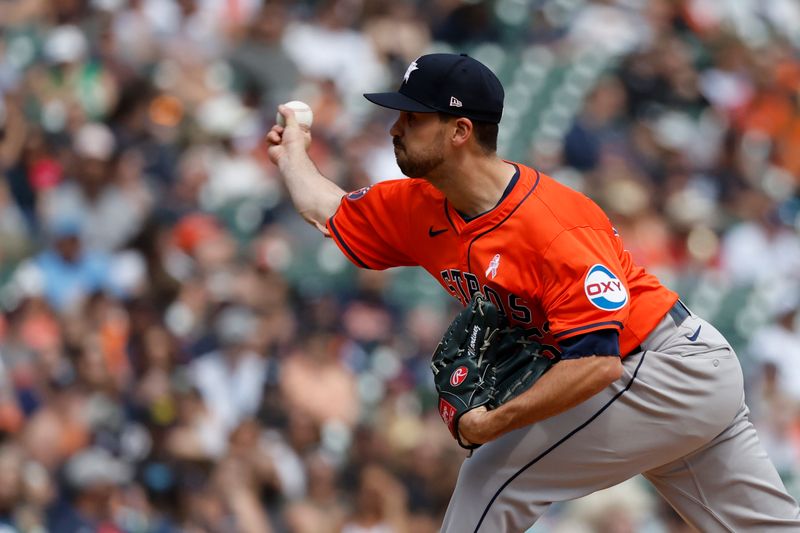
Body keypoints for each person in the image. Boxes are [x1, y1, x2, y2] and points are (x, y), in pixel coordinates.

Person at [266, 53, 800, 532]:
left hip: (660, 367)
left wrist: (495, 421)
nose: (395, 129)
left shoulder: (553, 227)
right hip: (667, 380)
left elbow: (597, 364)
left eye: (413, 117)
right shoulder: (420, 205)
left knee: (492, 480)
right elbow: (328, 208)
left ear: (459, 132)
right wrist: (294, 150)